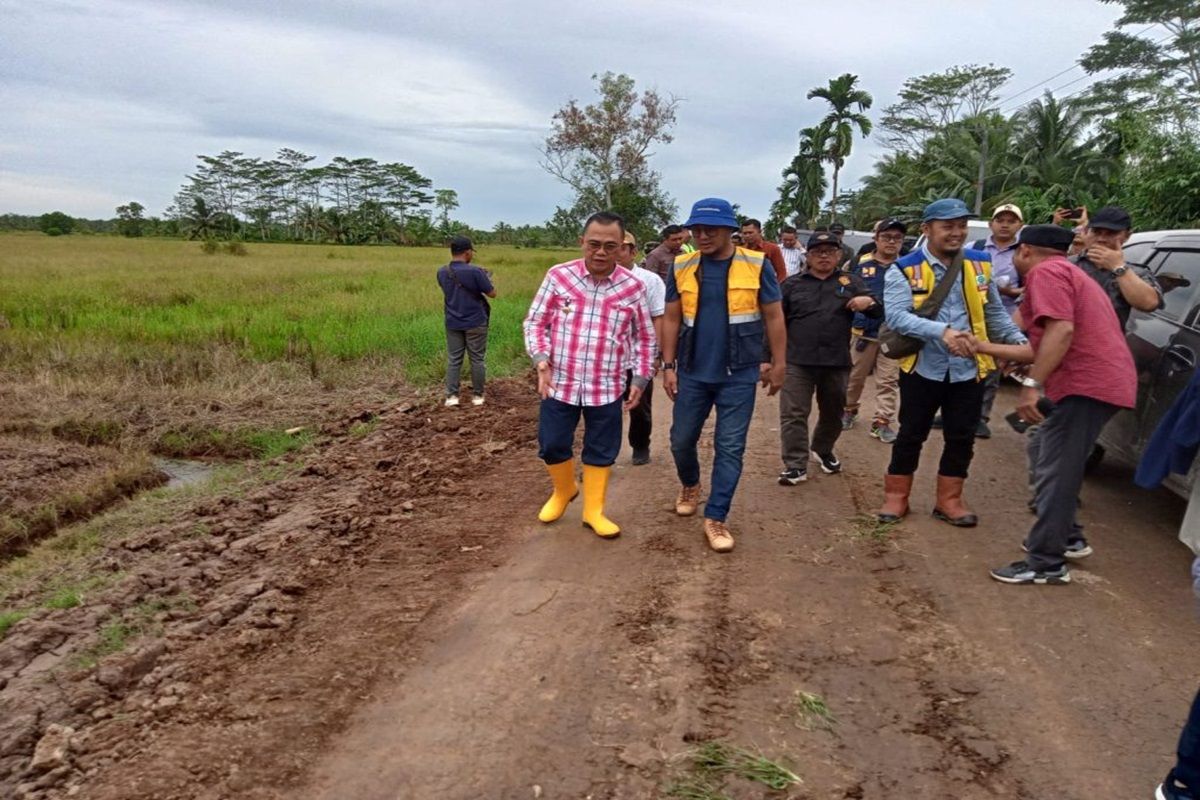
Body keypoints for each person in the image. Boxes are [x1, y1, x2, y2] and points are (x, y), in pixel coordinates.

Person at [976, 225, 1135, 584]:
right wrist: (987, 348)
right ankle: (1067, 536)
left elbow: (1059, 333)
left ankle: (1046, 562)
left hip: (1088, 385)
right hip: (1097, 382)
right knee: (1042, 449)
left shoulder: (1046, 273)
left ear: (1026, 251)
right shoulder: (1068, 272)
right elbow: (1036, 346)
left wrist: (1032, 386)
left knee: (1056, 468)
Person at [875, 198, 1027, 526]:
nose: (956, 232)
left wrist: (1019, 343)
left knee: (961, 436)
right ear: (927, 229)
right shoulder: (905, 267)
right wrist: (942, 332)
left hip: (970, 370)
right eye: (948, 226)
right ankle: (896, 497)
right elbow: (898, 318)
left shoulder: (979, 263)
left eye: (961, 225)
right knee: (911, 433)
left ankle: (949, 500)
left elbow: (994, 312)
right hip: (921, 367)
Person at [661, 197, 786, 552]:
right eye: (696, 229)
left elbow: (774, 316)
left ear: (730, 230)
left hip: (739, 373)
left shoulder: (757, 265)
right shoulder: (681, 266)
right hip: (692, 372)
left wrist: (779, 363)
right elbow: (671, 318)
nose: (702, 235)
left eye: (710, 229)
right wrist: (668, 367)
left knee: (730, 447)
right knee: (680, 440)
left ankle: (716, 517)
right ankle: (690, 483)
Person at [523, 212, 656, 539]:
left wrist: (640, 379)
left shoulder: (633, 287)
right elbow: (535, 323)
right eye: (594, 244)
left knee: (601, 449)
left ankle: (594, 511)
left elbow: (644, 337)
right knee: (552, 444)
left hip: (607, 385)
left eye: (610, 246)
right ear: (582, 242)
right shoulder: (559, 277)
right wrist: (541, 359)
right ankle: (564, 489)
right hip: (559, 383)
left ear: (622, 247)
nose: (600, 252)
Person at [776, 231, 882, 485]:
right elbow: (775, 323)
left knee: (834, 413)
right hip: (797, 361)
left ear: (838, 255)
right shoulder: (792, 285)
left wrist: (868, 302)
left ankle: (823, 449)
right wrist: (768, 358)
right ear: (808, 256)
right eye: (817, 252)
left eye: (830, 251)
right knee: (793, 413)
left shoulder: (851, 282)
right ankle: (795, 464)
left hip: (836, 361)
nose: (824, 256)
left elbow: (878, 311)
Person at [842, 218, 904, 443]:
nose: (892, 242)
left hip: (895, 335)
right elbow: (842, 286)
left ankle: (882, 422)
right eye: (886, 237)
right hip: (863, 333)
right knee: (854, 377)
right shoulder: (858, 262)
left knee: (888, 381)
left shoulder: (908, 265)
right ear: (876, 239)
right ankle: (848, 410)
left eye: (897, 238)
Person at [972, 203, 1025, 438]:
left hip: (1007, 317)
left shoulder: (1024, 252)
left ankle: (981, 417)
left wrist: (1014, 292)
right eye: (1000, 219)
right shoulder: (975, 247)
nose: (1005, 224)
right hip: (973, 314)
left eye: (1011, 220)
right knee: (964, 364)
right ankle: (954, 412)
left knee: (991, 369)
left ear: (1019, 225)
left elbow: (1035, 284)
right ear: (990, 223)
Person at [1070, 205, 1163, 329]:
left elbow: (1148, 304)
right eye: (1096, 232)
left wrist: (1118, 267)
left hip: (1107, 345)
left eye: (1111, 233)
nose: (1101, 239)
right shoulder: (1067, 265)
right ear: (1086, 232)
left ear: (1127, 236)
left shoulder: (1136, 273)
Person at [619, 230, 666, 465]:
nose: (614, 253)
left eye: (620, 248)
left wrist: (657, 355)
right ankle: (600, 455)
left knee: (639, 406)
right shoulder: (596, 279)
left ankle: (640, 445)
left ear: (633, 252)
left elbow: (659, 317)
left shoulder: (649, 281)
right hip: (606, 359)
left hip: (638, 356)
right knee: (601, 409)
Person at [436, 235, 496, 407]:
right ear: (467, 252)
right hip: (476, 321)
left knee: (454, 359)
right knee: (477, 359)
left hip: (453, 322)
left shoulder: (442, 271)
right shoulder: (476, 271)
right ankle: (477, 397)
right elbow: (492, 293)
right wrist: (486, 278)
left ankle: (452, 397)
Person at [741, 218, 787, 283]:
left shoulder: (772, 248)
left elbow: (782, 274)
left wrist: (775, 289)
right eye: (745, 233)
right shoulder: (740, 250)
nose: (747, 236)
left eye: (750, 233)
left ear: (760, 232)